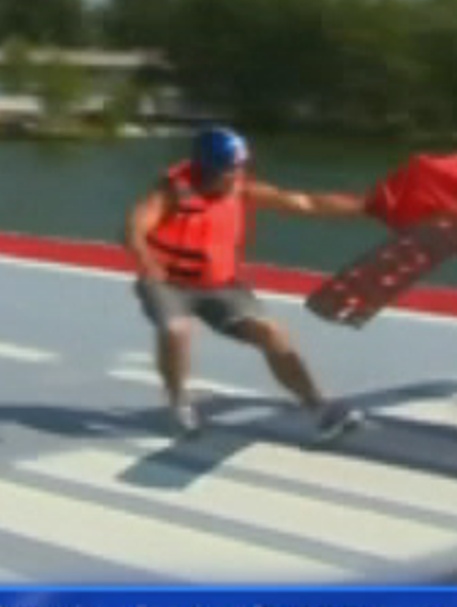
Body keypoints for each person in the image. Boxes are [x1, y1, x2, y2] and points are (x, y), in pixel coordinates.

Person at [125, 126, 369, 441]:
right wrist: (147, 261)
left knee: (272, 333)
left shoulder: (241, 189)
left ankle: (320, 408)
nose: (240, 174)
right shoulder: (170, 191)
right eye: (232, 168)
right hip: (167, 282)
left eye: (241, 166)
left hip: (219, 286)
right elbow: (134, 228)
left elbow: (304, 202)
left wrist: (365, 206)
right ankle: (178, 404)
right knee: (176, 329)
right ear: (209, 168)